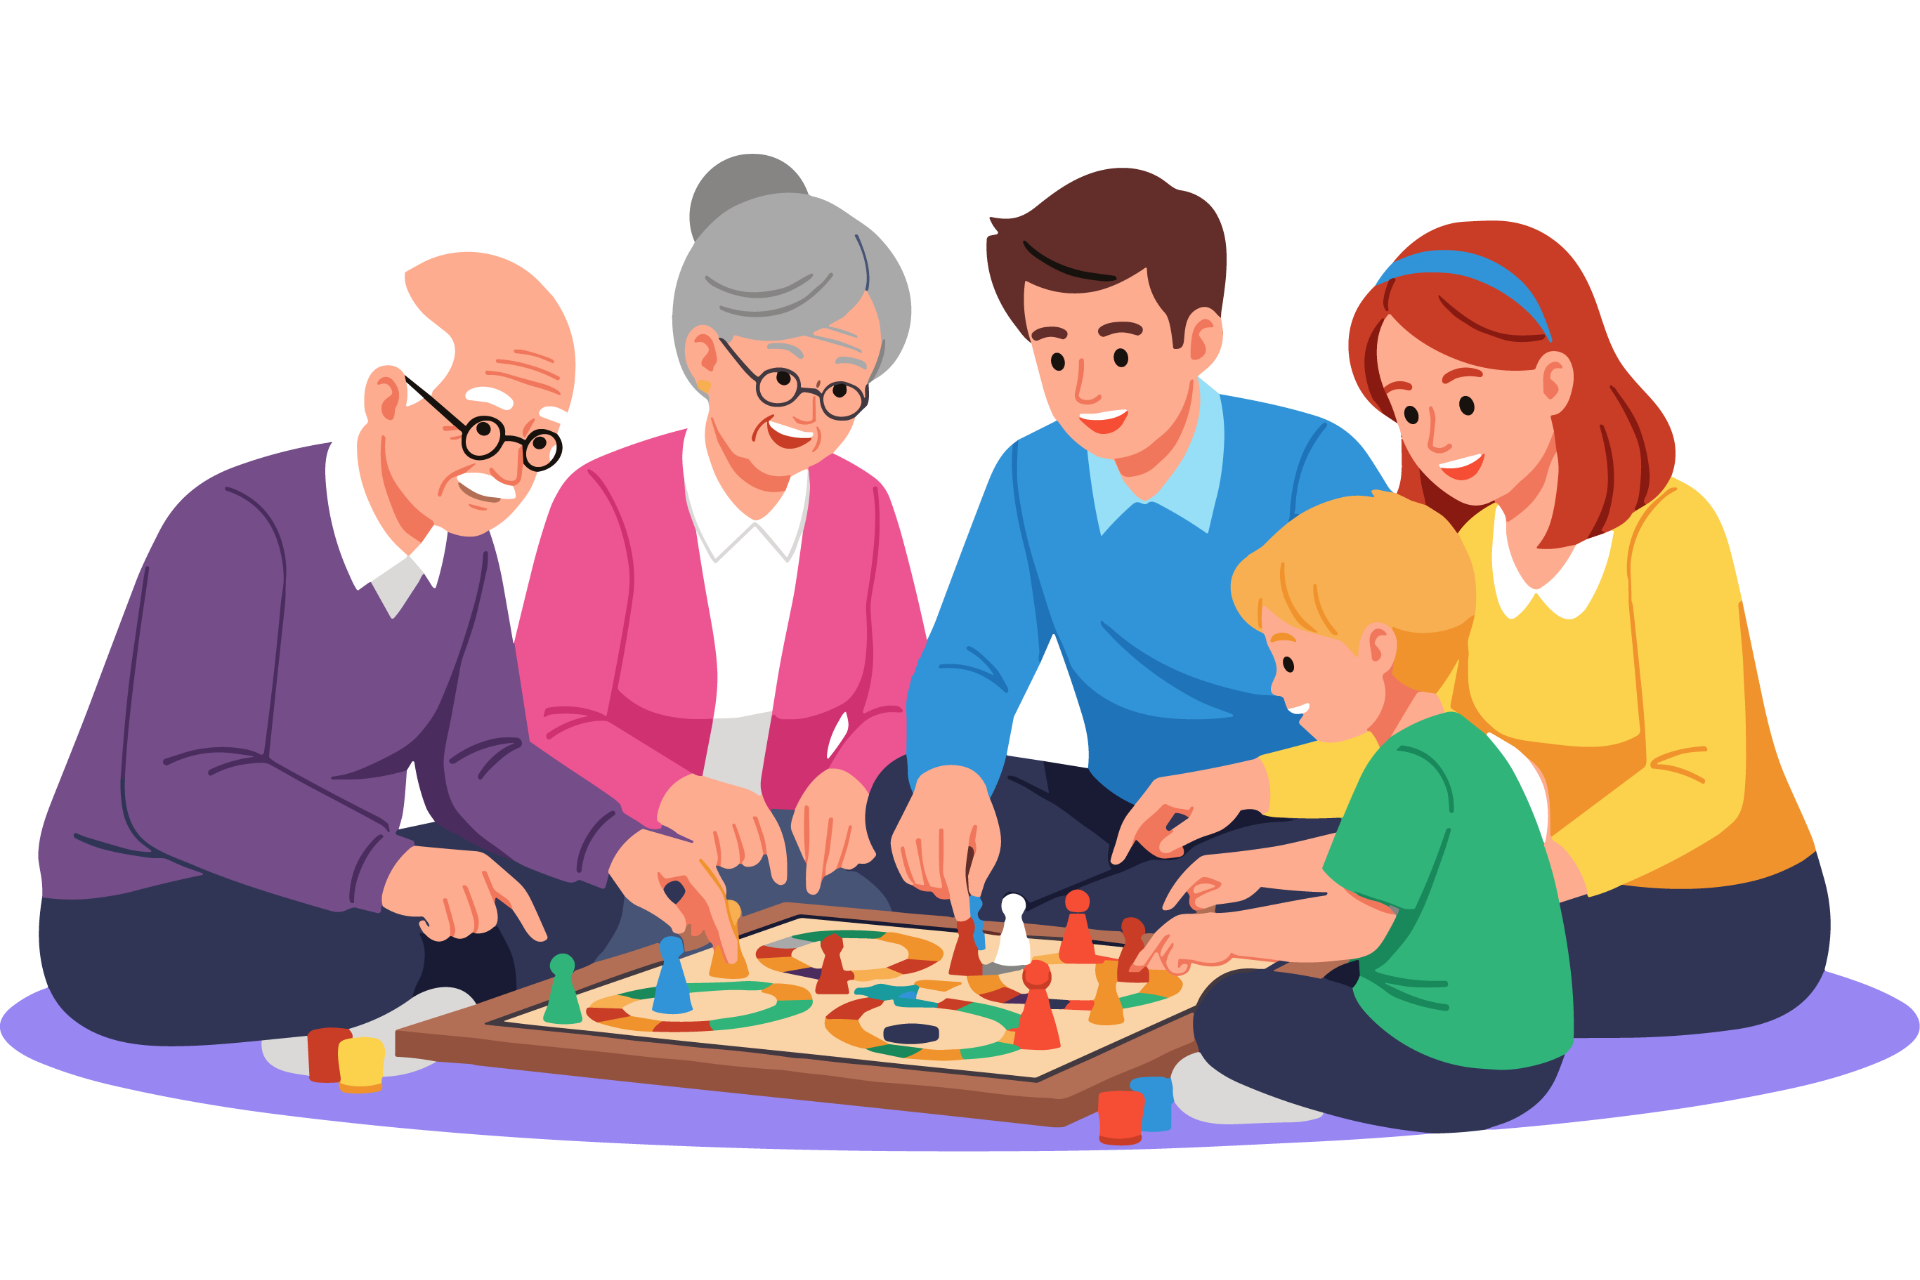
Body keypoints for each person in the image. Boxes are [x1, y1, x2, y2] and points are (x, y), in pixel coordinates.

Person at [1130, 220, 1826, 1038]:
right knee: (1345, 952)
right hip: (1546, 889)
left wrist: (1516, 884)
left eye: (1463, 398)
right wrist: (1241, 788)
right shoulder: (1468, 552)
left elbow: (1697, 779)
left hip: (1726, 916)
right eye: (1409, 408)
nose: (1436, 437)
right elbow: (1417, 746)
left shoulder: (1670, 533)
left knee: (1375, 965)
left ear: (1555, 380)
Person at [37, 252, 743, 1052]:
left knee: (583, 898)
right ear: (387, 398)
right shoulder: (236, 524)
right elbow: (183, 782)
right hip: (145, 908)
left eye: (539, 440)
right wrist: (390, 870)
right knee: (413, 948)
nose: (509, 473)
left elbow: (482, 761)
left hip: (351, 879)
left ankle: (438, 979)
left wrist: (617, 845)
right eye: (484, 429)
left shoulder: (465, 547)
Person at [864, 168, 1389, 934]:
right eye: (1054, 356)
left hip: (1290, 812)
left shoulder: (1313, 463)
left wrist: (1248, 785)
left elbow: (1398, 705)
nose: (1083, 390)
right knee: (906, 799)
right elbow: (972, 661)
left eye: (1117, 354)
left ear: (1198, 341)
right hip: (1111, 810)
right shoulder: (1030, 473)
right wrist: (950, 778)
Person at [515, 156, 921, 946]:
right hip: (625, 859)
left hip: (797, 864)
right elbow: (547, 718)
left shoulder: (863, 505)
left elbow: (900, 700)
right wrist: (676, 795)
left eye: (842, 392)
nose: (809, 416)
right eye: (782, 378)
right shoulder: (605, 500)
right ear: (705, 356)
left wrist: (849, 778)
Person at [1142, 492, 1571, 1134]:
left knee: (1230, 1008)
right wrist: (1253, 869)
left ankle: (1296, 1091)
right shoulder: (1458, 744)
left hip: (1462, 1070)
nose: (1278, 685)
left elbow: (1356, 922)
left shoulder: (1410, 767)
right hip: (1522, 1053)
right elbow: (1381, 856)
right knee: (1328, 983)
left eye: (1290, 658)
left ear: (1375, 648)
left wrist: (1222, 935)